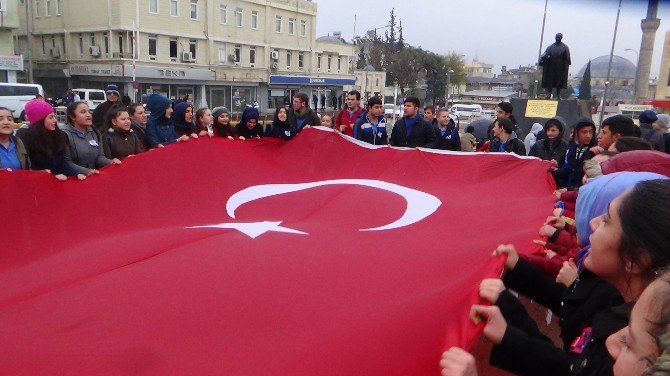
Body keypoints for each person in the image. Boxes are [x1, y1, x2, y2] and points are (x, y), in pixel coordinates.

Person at [475, 174, 670, 376]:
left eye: (607, 220)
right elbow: (569, 304)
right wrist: (518, 270)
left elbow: (571, 368)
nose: (593, 223)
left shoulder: (636, 339)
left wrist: (509, 332)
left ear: (635, 260)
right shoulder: (609, 287)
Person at [21, 99, 85, 180]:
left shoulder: (60, 136)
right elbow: (29, 169)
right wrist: (51, 176)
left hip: (59, 182)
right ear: (39, 121)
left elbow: (62, 163)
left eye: (54, 116)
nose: (55, 120)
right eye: (50, 117)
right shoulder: (26, 139)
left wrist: (76, 174)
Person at [61, 101, 121, 175]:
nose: (88, 115)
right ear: (73, 117)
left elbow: (99, 157)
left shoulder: (94, 132)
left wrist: (110, 162)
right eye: (83, 112)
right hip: (74, 178)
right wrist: (86, 171)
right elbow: (66, 163)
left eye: (89, 112)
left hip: (93, 176)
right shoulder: (64, 134)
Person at [556, 117, 597, 188]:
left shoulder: (595, 151)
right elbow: (566, 167)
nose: (588, 136)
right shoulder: (570, 148)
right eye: (584, 132)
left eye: (591, 132)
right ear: (577, 133)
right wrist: (556, 169)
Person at [540, 33, 571, 98]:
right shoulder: (550, 47)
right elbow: (544, 55)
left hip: (560, 67)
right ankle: (549, 93)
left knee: (559, 81)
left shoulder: (565, 47)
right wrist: (544, 58)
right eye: (556, 37)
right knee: (550, 80)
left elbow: (567, 58)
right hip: (551, 66)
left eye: (558, 37)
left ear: (561, 38)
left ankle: (558, 94)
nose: (557, 38)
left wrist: (565, 66)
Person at [0, 106, 30, 171]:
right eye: (0, 119)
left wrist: (41, 174)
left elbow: (27, 169)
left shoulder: (18, 142)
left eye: (10, 119)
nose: (6, 122)